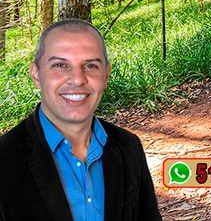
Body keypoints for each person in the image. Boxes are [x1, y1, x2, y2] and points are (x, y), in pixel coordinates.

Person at [0, 19, 162, 221]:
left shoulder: (128, 147)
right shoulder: (4, 159)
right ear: (36, 74)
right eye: (60, 65)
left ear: (106, 75)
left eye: (91, 65)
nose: (77, 79)